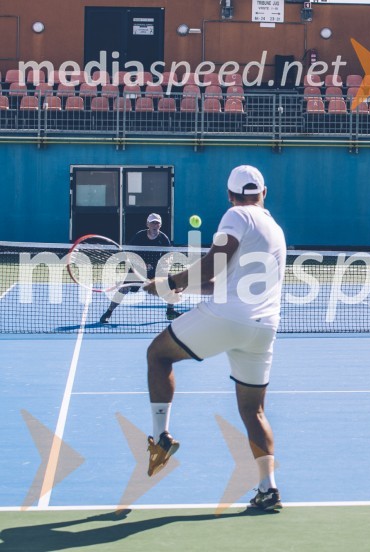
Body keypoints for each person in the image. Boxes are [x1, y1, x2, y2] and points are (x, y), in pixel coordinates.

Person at [143, 165, 286, 512]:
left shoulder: (236, 215)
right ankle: (268, 490)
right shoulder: (275, 229)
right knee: (254, 410)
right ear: (264, 193)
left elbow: (212, 265)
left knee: (158, 355)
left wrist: (171, 283)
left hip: (227, 317)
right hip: (264, 328)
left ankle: (161, 438)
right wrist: (168, 287)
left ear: (230, 195)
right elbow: (217, 280)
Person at [99, 213, 180, 324]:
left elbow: (168, 256)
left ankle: (170, 311)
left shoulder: (163, 238)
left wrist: (163, 264)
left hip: (156, 269)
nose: (155, 225)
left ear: (160, 225)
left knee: (173, 283)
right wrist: (141, 265)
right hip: (137, 269)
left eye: (157, 223)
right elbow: (130, 254)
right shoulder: (139, 236)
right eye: (152, 223)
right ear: (148, 224)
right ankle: (108, 312)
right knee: (123, 289)